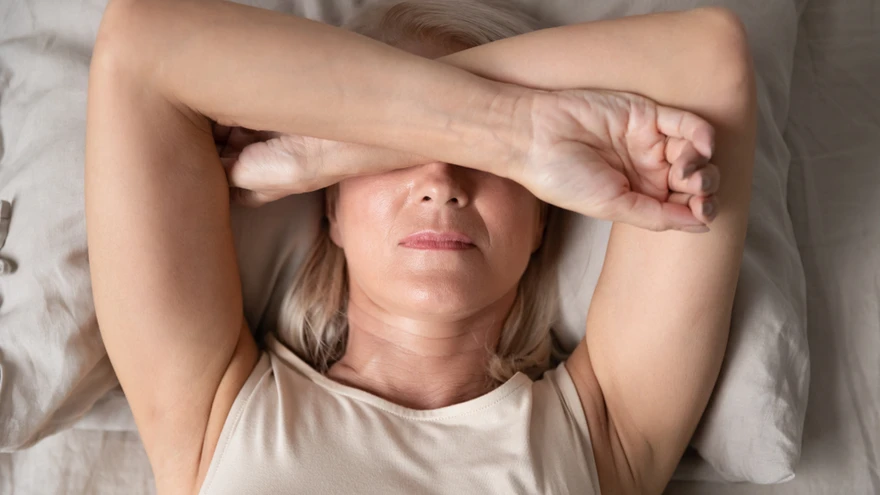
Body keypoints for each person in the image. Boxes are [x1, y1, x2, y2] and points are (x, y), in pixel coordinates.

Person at [84, 0, 755, 493]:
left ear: (540, 221)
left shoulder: (605, 430)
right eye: (396, 153)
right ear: (331, 207)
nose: (441, 182)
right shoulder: (215, 414)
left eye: (489, 161)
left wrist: (332, 145)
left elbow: (707, 58)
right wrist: (514, 130)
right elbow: (141, 45)